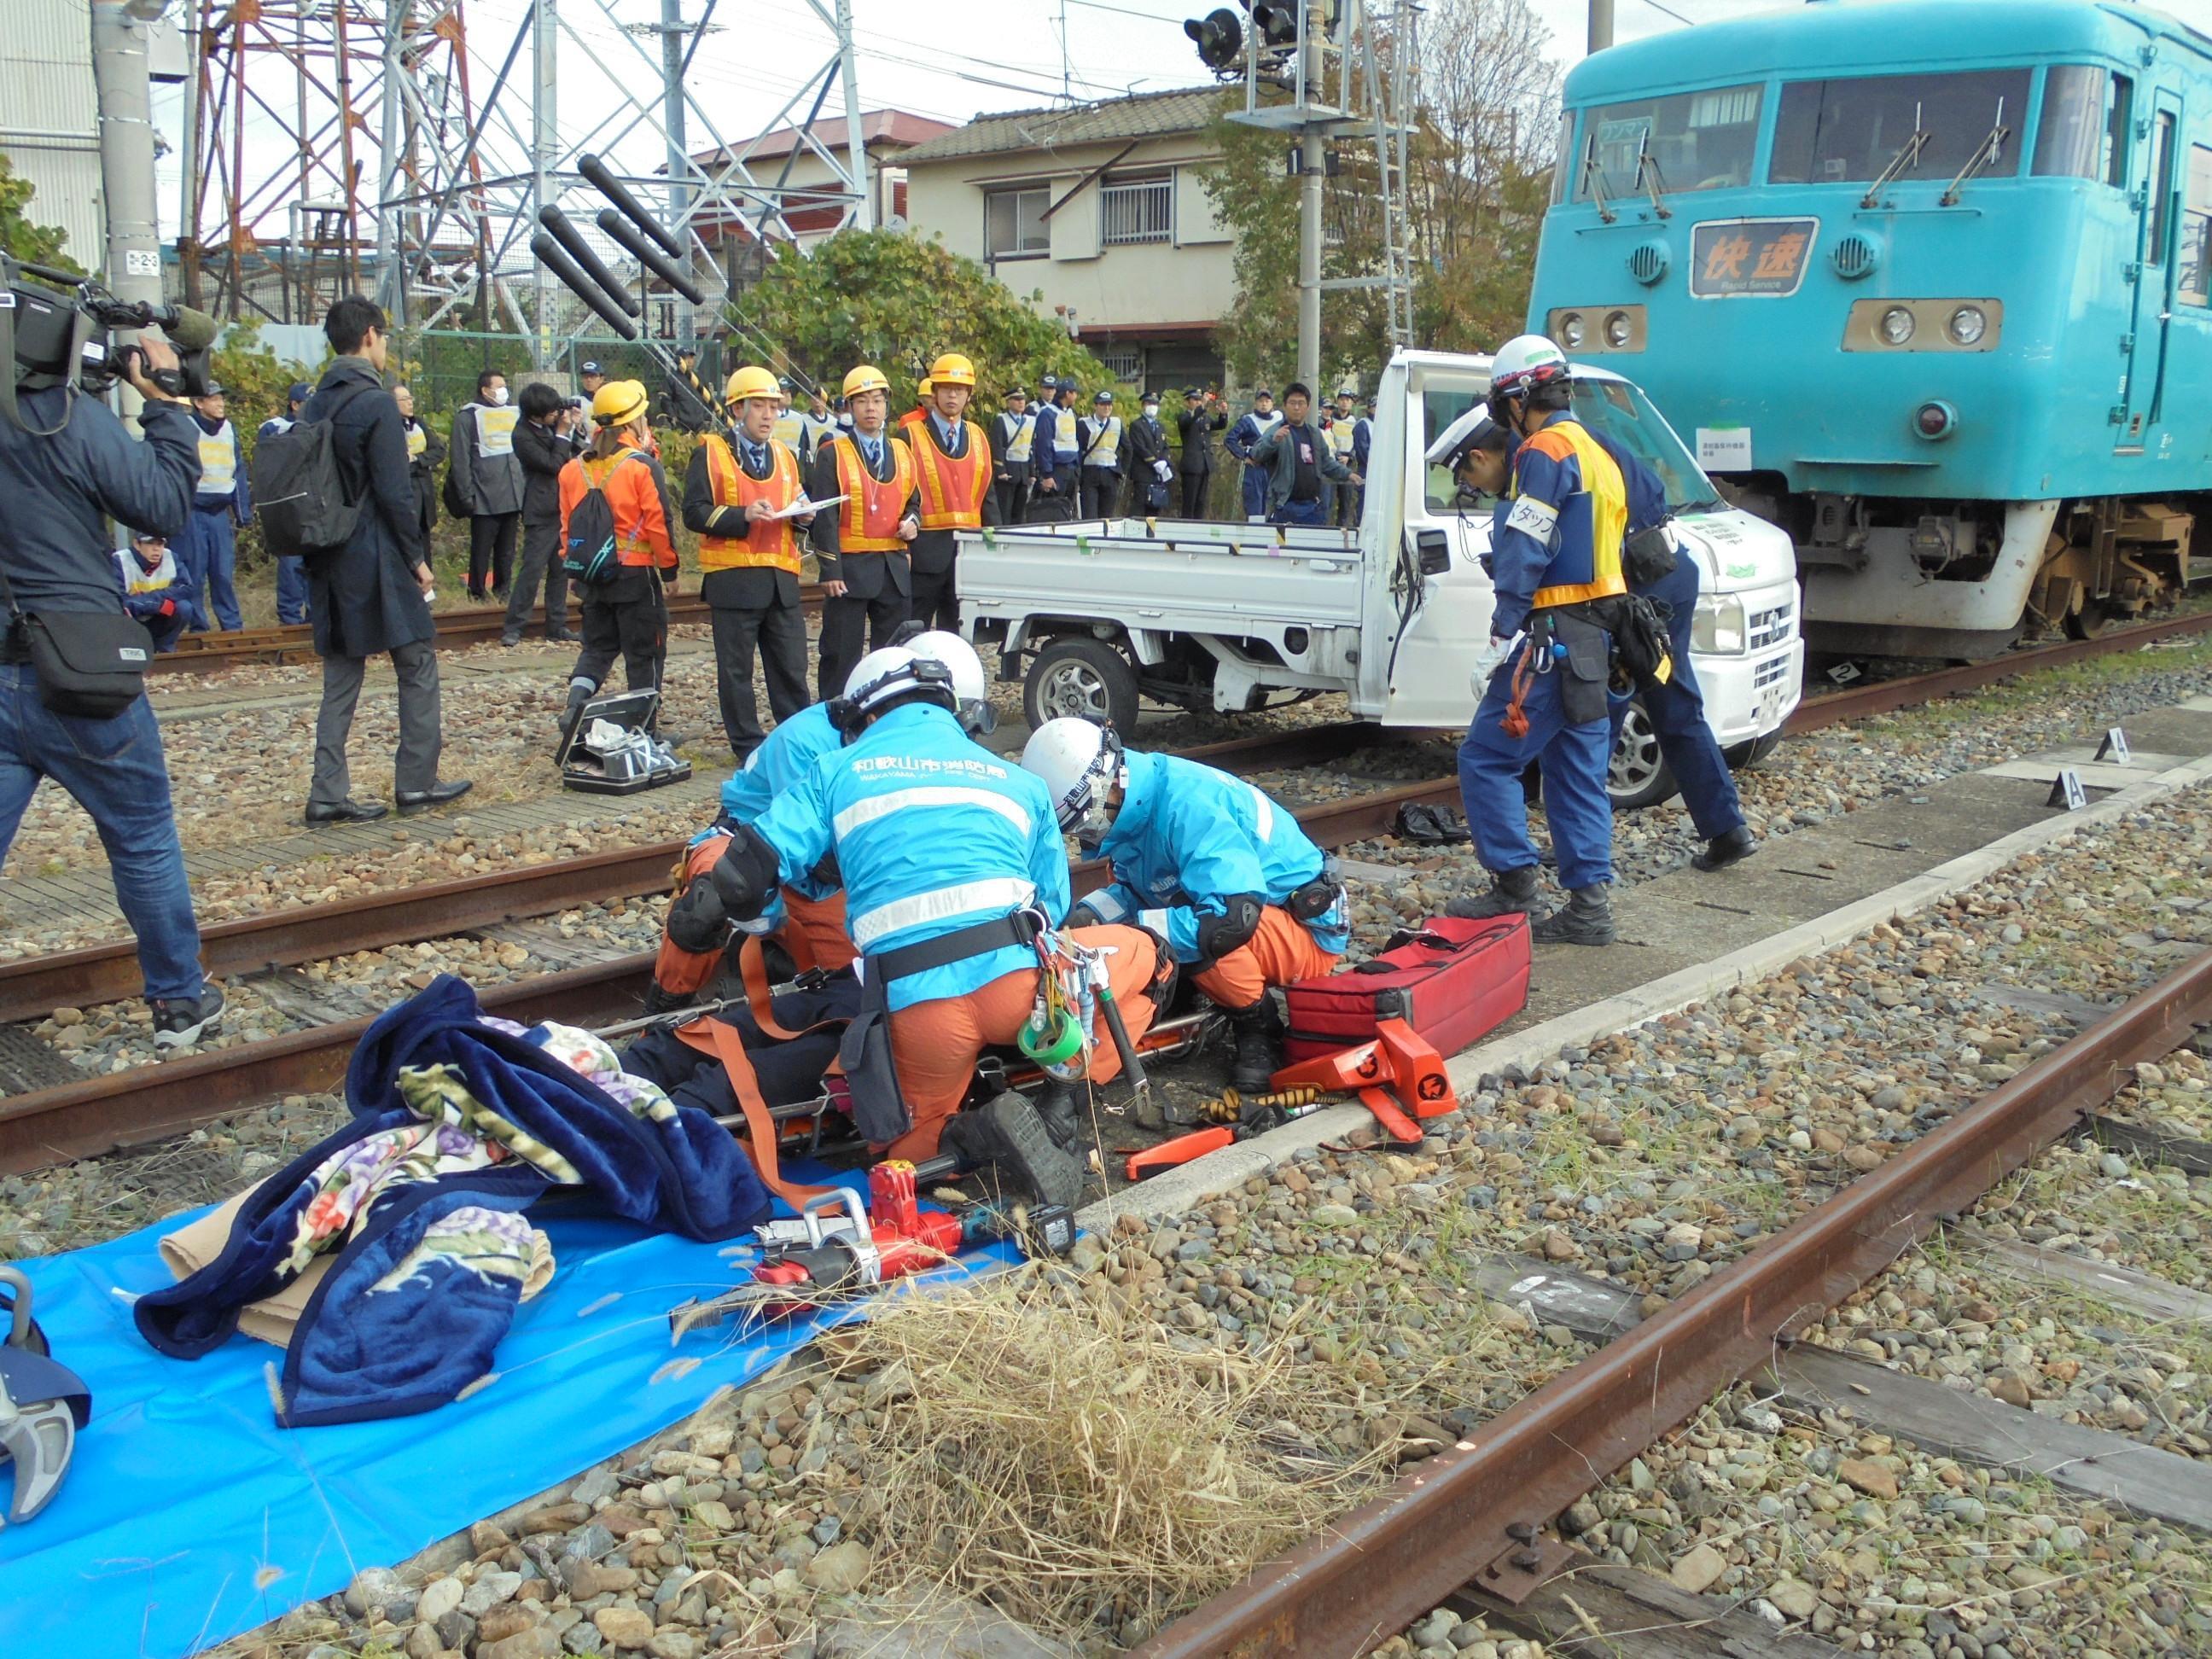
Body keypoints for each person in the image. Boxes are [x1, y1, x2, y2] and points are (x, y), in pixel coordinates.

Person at [702, 640, 1164, 1179]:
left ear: (868, 715)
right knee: (1150, 954)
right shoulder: (1019, 782)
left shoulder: (833, 770)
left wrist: (774, 911)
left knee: (908, 1156)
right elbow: (1053, 906)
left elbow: (739, 878)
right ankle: (1059, 1106)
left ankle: (965, 1139)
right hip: (1020, 990)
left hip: (918, 1008)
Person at [0, 327, 224, 1050]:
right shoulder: (65, 417)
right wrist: (161, 399)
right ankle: (179, 1006)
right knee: (143, 837)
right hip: (81, 671)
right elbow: (159, 506)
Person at [1022, 719, 1344, 1092]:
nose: (1086, 834)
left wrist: (1141, 941)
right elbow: (1137, 890)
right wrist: (1081, 921)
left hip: (1304, 929)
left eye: (1085, 821)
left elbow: (1232, 917)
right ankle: (1196, 984)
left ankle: (1259, 1027)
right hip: (1252, 908)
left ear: (1104, 784)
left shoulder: (1188, 806)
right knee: (1138, 922)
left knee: (1198, 932)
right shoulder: (1138, 805)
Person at [1443, 335, 1627, 946]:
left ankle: (1513, 883)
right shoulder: (1599, 451)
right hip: (1596, 639)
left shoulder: (1543, 451)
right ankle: (1588, 909)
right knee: (1576, 770)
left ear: (1520, 399)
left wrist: (1501, 633)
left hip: (1549, 637)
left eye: (1504, 408)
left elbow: (1528, 542)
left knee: (1485, 757)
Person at [301, 297, 470, 829]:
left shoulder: (314, 402)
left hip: (326, 553)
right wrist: (417, 558)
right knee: (417, 662)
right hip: (374, 554)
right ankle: (417, 782)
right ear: (371, 335)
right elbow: (396, 494)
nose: (387, 346)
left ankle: (327, 791)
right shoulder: (375, 403)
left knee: (341, 675)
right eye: (386, 337)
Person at [645, 696, 853, 1016]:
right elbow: (810, 848)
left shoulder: (910, 742)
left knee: (856, 982)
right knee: (711, 901)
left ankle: (772, 959)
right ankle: (660, 1016)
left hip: (819, 878)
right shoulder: (805, 741)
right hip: (741, 843)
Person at [684, 364, 814, 760]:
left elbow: (797, 501)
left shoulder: (786, 456)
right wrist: (742, 515)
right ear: (738, 409)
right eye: (759, 406)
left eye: (773, 407)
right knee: (737, 672)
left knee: (791, 667)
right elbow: (693, 512)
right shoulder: (711, 451)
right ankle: (748, 746)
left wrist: (804, 516)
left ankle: (796, 740)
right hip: (735, 580)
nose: (768, 415)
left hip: (780, 580)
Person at [557, 380, 681, 738]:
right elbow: (659, 523)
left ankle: (574, 706)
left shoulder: (572, 469)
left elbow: (566, 525)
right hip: (635, 577)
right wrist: (670, 570)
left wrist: (572, 567)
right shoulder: (640, 467)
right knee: (645, 655)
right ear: (633, 424)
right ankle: (645, 732)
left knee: (597, 649)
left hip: (591, 576)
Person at [810, 364, 919, 700]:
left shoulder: (902, 450)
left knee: (893, 655)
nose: (871, 408)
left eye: (877, 400)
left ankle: (886, 711)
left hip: (893, 568)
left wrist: (913, 522)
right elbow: (824, 515)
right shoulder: (832, 453)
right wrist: (830, 569)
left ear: (887, 405)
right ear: (849, 408)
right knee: (841, 653)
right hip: (851, 570)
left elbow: (913, 501)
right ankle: (836, 713)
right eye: (862, 402)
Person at [904, 352, 997, 632]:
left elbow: (988, 496)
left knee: (957, 634)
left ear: (968, 395)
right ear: (933, 393)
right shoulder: (909, 435)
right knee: (912, 630)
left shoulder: (979, 436)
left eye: (959, 390)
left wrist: (993, 546)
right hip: (924, 553)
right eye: (945, 389)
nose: (952, 396)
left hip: (967, 551)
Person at [504, 382, 579, 647]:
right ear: (536, 414)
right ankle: (514, 626)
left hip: (562, 506)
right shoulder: (522, 436)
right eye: (552, 411)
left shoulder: (550, 427)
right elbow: (553, 465)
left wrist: (573, 430)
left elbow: (575, 453)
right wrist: (561, 435)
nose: (556, 415)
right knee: (532, 569)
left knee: (560, 570)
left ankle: (557, 625)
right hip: (540, 508)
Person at [179, 381, 247, 632]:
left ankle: (232, 627)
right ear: (199, 403)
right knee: (193, 575)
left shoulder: (229, 430)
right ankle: (198, 628)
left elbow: (238, 470)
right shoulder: (185, 428)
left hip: (220, 513)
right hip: (192, 513)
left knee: (222, 575)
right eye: (214, 399)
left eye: (221, 399)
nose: (221, 404)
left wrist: (243, 512)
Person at [449, 368, 522, 602]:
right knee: (481, 548)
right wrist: (466, 494)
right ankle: (477, 591)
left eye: (504, 386)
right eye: (498, 387)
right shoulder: (468, 416)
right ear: (485, 390)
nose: (503, 391)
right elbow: (460, 458)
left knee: (507, 550)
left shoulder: (514, 413)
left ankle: (503, 589)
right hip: (483, 494)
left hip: (511, 492)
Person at [1249, 383, 1359, 527]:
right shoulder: (1276, 430)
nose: (1296, 407)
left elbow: (1327, 462)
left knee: (1310, 547)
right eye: (1292, 403)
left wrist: (1349, 474)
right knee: (1282, 549)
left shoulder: (1314, 434)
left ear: (1308, 407)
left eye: (1301, 403)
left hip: (1312, 507)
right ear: (1284, 405)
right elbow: (1257, 455)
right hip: (1284, 506)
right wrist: (1273, 441)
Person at [252, 382, 313, 626]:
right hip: (285, 506)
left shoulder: (318, 425)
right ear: (294, 404)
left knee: (313, 563)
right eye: (307, 403)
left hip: (310, 505)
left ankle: (314, 617)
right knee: (290, 563)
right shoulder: (273, 427)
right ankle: (289, 618)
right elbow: (266, 467)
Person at [111, 528, 189, 654]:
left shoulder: (171, 557)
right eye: (150, 543)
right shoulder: (120, 561)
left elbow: (186, 588)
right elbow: (117, 600)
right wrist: (155, 605)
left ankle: (165, 648)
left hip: (159, 617)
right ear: (137, 544)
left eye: (160, 544)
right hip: (132, 618)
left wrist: (156, 597)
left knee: (184, 607)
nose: (156, 549)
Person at [393, 384, 445, 563]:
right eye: (404, 399)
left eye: (410, 398)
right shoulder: (390, 428)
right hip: (407, 491)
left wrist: (416, 459)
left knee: (425, 539)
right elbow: (397, 462)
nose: (410, 403)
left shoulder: (418, 424)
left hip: (424, 491)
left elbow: (438, 450)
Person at [1225, 387, 1282, 522]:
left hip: (1274, 470)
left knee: (1274, 508)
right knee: (1255, 510)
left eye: (1267, 401)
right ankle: (1255, 541)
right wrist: (1244, 456)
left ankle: (1273, 542)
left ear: (1272, 403)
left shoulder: (1280, 419)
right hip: (1255, 469)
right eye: (1261, 401)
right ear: (1256, 403)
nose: (1264, 404)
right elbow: (1230, 439)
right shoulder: (1247, 421)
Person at [1027, 375, 1080, 521]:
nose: (1076, 396)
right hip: (1057, 470)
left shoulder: (1070, 413)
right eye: (1074, 392)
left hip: (1071, 469)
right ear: (1068, 394)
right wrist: (1047, 474)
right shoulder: (1047, 413)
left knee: (1067, 510)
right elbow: (1043, 445)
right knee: (1053, 510)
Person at [987, 384, 1036, 523]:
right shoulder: (1001, 420)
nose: (1021, 402)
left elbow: (1030, 447)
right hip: (1008, 469)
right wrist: (1000, 469)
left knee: (1020, 511)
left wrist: (1032, 472)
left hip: (1023, 470)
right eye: (1016, 399)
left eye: (1022, 399)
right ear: (1009, 402)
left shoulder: (1029, 421)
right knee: (1005, 509)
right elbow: (997, 446)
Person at [1176, 386, 1225, 519]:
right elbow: (1189, 421)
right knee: (1190, 502)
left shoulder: (1205, 418)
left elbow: (1220, 425)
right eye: (1195, 400)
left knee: (1201, 502)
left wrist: (1223, 413)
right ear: (1187, 402)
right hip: (1192, 466)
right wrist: (1203, 405)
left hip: (1204, 465)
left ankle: (1199, 527)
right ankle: (1187, 529)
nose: (1198, 402)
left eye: (1200, 400)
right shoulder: (1184, 417)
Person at [1077, 390, 1125, 519]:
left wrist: (1122, 470)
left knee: (1107, 516)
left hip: (1110, 473)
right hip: (1090, 473)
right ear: (1096, 406)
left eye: (1109, 405)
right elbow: (1079, 449)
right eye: (1103, 404)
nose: (1107, 408)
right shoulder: (1084, 423)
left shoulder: (1116, 424)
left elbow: (1128, 448)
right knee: (1090, 516)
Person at [1126, 391, 1174, 515]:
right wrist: (1154, 462)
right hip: (1143, 473)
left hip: (1158, 475)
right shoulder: (1136, 425)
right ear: (1143, 405)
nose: (1153, 406)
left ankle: (1151, 534)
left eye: (1155, 404)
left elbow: (1165, 447)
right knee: (1139, 509)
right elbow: (1140, 447)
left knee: (1154, 511)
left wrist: (1164, 461)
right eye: (1149, 403)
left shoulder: (1160, 426)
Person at [1327, 387, 1367, 528]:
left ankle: (1343, 531)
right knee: (1329, 502)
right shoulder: (1330, 420)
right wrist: (1337, 457)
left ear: (1352, 403)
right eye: (1342, 399)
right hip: (1332, 464)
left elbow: (1358, 444)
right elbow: (1327, 439)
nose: (1344, 403)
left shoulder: (1356, 422)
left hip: (1349, 465)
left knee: (1346, 502)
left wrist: (1349, 458)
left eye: (1347, 400)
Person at [664, 347, 713, 435]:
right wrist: (672, 418)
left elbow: (708, 399)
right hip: (682, 426)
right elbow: (666, 401)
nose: (690, 361)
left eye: (691, 358)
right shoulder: (672, 379)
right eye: (686, 358)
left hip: (701, 425)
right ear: (679, 360)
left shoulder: (700, 378)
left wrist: (707, 418)